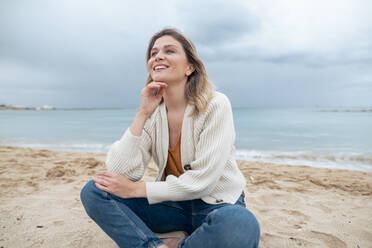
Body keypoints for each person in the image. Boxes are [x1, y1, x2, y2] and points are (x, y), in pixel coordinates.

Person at [80, 28, 260, 248]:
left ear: (190, 67)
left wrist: (137, 190)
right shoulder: (153, 112)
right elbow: (120, 172)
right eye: (153, 53)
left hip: (217, 204)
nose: (158, 56)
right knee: (96, 190)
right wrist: (142, 113)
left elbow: (203, 181)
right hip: (172, 206)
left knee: (240, 223)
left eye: (169, 50)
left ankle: (181, 243)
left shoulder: (216, 104)